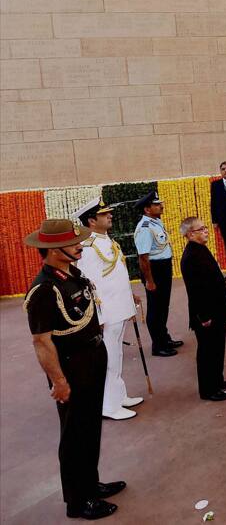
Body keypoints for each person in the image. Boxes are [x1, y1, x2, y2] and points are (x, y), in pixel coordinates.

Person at [23, 219, 126, 520]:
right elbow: (41, 341)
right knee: (74, 435)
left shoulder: (73, 275)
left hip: (92, 357)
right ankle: (78, 502)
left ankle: (90, 484)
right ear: (54, 250)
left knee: (90, 427)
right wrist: (58, 381)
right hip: (71, 367)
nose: (80, 245)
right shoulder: (44, 288)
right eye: (73, 242)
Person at [73, 198, 143, 421]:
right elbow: (89, 284)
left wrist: (129, 299)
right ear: (92, 221)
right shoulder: (89, 247)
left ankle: (119, 396)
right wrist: (98, 317)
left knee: (117, 355)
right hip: (107, 313)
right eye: (104, 214)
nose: (110, 216)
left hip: (118, 308)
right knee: (109, 359)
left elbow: (113, 275)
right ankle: (108, 406)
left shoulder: (104, 240)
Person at [179, 217, 226, 402]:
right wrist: (203, 316)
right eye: (201, 229)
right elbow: (196, 290)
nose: (206, 231)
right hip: (206, 314)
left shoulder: (199, 249)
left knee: (217, 347)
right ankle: (208, 389)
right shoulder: (190, 256)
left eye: (205, 228)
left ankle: (217, 381)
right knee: (207, 351)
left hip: (216, 309)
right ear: (190, 234)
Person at [134, 191, 183, 357]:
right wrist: (149, 280)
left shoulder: (155, 222)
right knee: (155, 309)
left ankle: (165, 338)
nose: (160, 206)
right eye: (156, 204)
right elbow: (143, 258)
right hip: (154, 271)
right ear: (147, 209)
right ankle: (158, 345)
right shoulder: (145, 228)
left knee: (163, 306)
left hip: (163, 267)